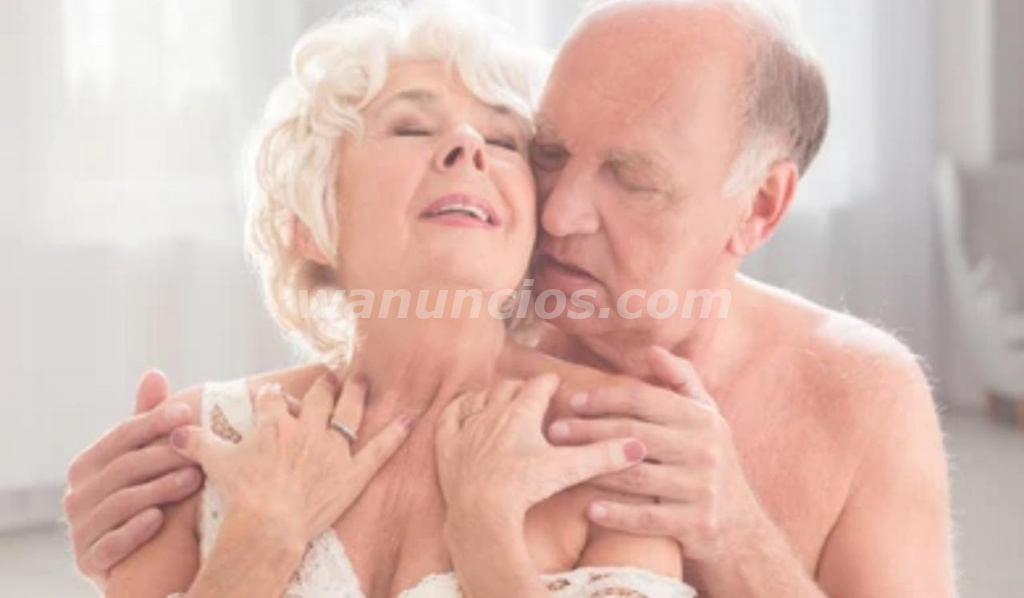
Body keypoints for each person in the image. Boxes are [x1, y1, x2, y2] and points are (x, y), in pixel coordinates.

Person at [65, 0, 957, 596]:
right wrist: (188, 529)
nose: (560, 215)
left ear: (758, 208)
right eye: (551, 154)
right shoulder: (459, 291)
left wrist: (739, 538)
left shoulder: (855, 394)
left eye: (632, 178)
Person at [83, 3, 696, 597]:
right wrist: (258, 544)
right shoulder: (204, 442)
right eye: (411, 127)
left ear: (535, 227)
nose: (468, 145)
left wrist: (487, 542)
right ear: (312, 223)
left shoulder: (614, 441)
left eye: (504, 141)